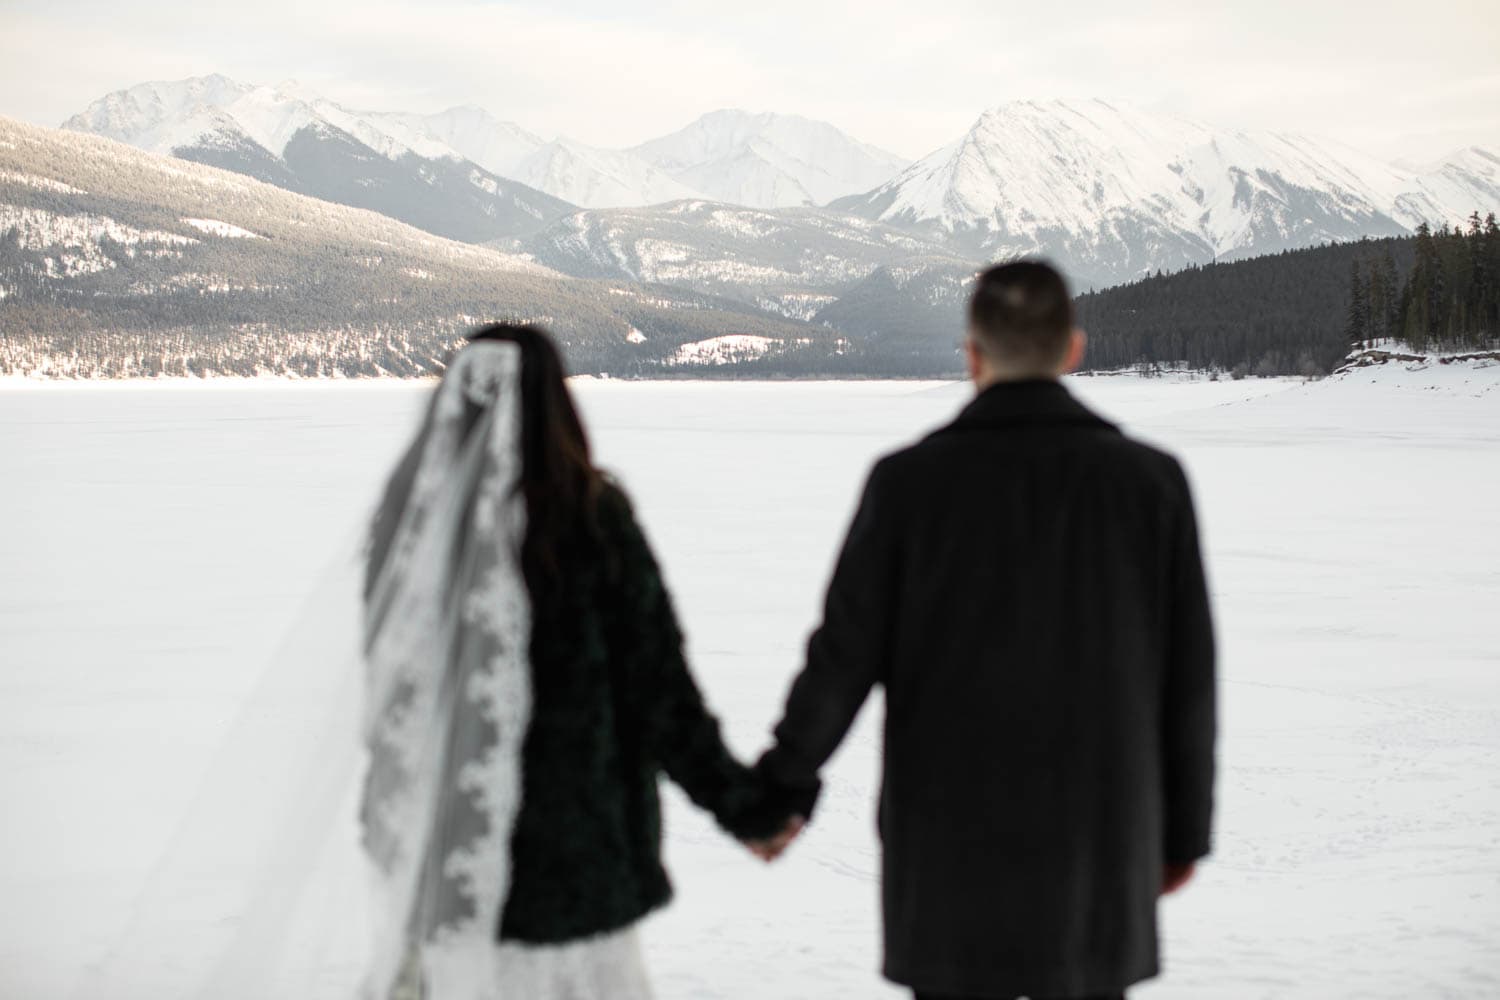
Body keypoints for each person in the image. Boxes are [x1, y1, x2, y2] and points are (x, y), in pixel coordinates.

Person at [755, 260, 1218, 1000]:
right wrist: (1184, 830)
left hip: (948, 849)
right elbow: (1188, 678)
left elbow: (842, 658)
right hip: (1101, 838)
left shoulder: (907, 484)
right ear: (1074, 349)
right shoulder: (1149, 483)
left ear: (972, 354)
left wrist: (780, 788)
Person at [360, 323, 800, 1000]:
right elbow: (660, 692)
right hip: (574, 865)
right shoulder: (589, 518)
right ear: (555, 407)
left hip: (444, 853)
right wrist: (749, 810)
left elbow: (387, 691)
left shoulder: (407, 528)